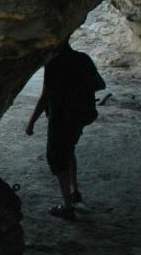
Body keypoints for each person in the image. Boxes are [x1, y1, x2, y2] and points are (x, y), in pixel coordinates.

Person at [25, 39, 106, 221]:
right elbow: (99, 84)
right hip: (81, 115)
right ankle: (74, 191)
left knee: (56, 157)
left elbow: (46, 95)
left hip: (61, 117)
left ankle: (67, 207)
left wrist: (31, 122)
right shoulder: (82, 58)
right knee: (68, 149)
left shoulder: (54, 63)